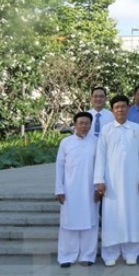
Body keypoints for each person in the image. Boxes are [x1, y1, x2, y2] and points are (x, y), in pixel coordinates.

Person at [94, 95, 139, 267]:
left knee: (132, 215)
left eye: (123, 106)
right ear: (112, 110)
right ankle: (110, 253)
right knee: (112, 217)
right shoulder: (106, 130)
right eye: (117, 106)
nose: (120, 109)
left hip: (132, 182)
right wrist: (99, 180)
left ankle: (131, 252)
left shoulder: (137, 129)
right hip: (111, 183)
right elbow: (100, 157)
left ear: (128, 108)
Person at [55, 112, 98, 267]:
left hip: (89, 190)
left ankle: (87, 256)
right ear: (75, 124)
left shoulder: (96, 142)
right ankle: (66, 256)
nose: (83, 126)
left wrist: (98, 189)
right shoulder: (65, 143)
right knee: (68, 224)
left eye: (87, 123)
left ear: (90, 125)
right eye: (80, 123)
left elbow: (100, 167)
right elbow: (59, 167)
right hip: (70, 189)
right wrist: (59, 189)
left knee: (90, 223)